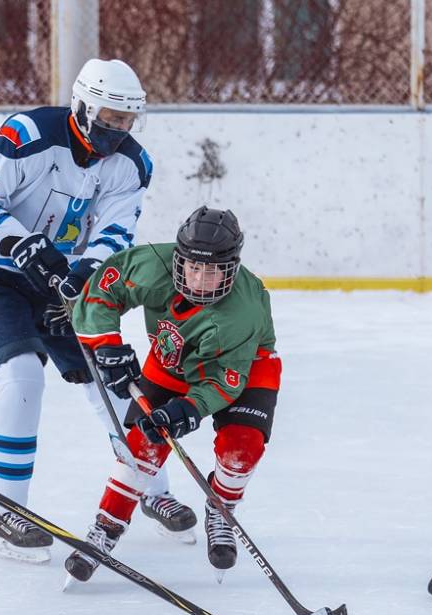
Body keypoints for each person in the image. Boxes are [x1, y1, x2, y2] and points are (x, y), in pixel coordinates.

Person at [0, 57, 193, 564]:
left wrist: (85, 275)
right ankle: (5, 508)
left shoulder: (132, 164)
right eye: (109, 117)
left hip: (62, 284)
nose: (117, 130)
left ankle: (147, 484)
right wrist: (25, 247)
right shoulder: (24, 136)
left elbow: (115, 232)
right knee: (19, 374)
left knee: (110, 373)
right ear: (81, 105)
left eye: (126, 121)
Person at [63, 206, 281, 585]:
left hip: (244, 366)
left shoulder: (241, 311)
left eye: (211, 271)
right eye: (193, 267)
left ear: (230, 268)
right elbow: (101, 292)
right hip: (172, 359)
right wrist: (106, 344)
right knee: (141, 446)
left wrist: (187, 410)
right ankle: (106, 528)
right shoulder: (152, 266)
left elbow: (223, 382)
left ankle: (221, 508)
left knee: (240, 448)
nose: (198, 279)